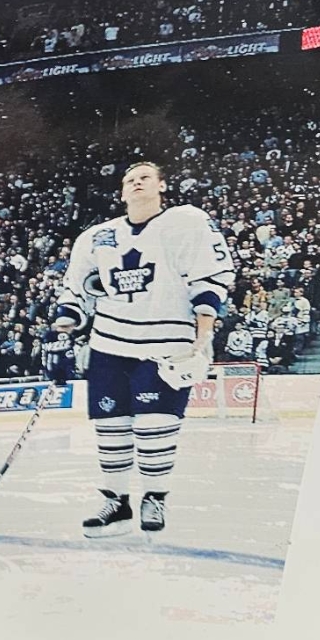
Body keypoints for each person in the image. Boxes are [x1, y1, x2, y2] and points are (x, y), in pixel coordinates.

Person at [58, 161, 233, 538]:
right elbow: (75, 289)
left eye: (145, 178)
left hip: (166, 343)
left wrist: (203, 336)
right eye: (130, 180)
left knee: (155, 426)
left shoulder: (186, 222)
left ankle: (154, 497)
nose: (137, 183)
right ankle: (116, 502)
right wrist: (62, 330)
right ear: (121, 191)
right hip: (108, 344)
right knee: (111, 428)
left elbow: (210, 276)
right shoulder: (97, 236)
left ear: (161, 186)